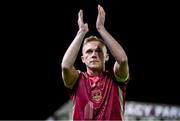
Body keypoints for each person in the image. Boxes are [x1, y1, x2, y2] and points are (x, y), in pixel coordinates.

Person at [61, 4, 129, 120]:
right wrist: (81, 32)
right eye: (89, 52)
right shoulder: (77, 80)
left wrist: (101, 28)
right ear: (83, 59)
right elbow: (66, 66)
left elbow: (122, 60)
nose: (93, 55)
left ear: (106, 57)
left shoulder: (116, 78)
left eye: (98, 51)